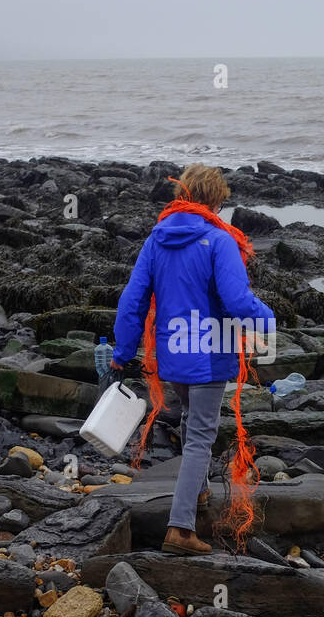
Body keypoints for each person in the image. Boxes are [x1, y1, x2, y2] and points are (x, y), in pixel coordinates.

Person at [110, 164, 274, 555]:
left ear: (183, 192)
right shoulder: (219, 240)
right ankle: (180, 529)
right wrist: (268, 320)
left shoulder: (156, 238)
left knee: (188, 420)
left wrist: (121, 351)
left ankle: (198, 493)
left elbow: (132, 301)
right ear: (216, 200)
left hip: (171, 353)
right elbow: (236, 302)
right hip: (208, 351)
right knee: (201, 434)